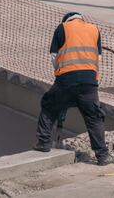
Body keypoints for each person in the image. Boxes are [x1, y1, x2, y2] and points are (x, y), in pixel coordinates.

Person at [34, 12, 108, 165]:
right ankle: (102, 156)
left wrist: (59, 71)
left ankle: (43, 143)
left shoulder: (62, 28)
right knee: (94, 117)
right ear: (81, 19)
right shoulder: (94, 29)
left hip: (66, 79)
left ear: (67, 20)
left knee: (49, 106)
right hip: (89, 82)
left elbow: (54, 56)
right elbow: (98, 57)